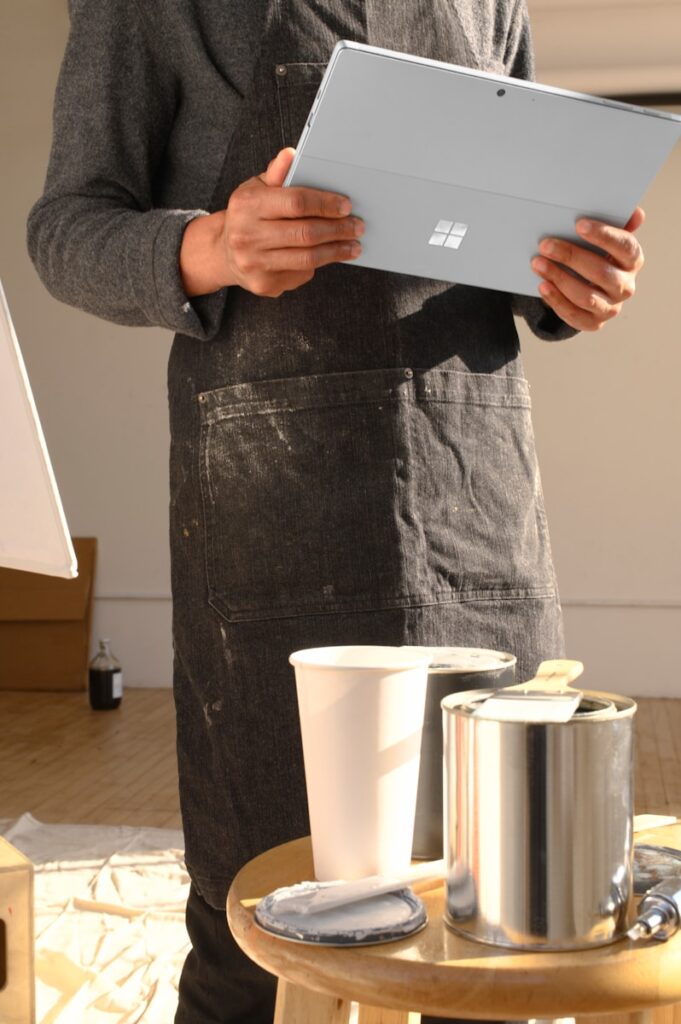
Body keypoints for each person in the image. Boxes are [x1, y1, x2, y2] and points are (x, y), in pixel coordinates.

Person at [27, 2, 645, 1022]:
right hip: (270, 506)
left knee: (507, 928)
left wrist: (573, 284)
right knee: (264, 926)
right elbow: (66, 226)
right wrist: (213, 245)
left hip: (475, 490)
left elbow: (527, 224)